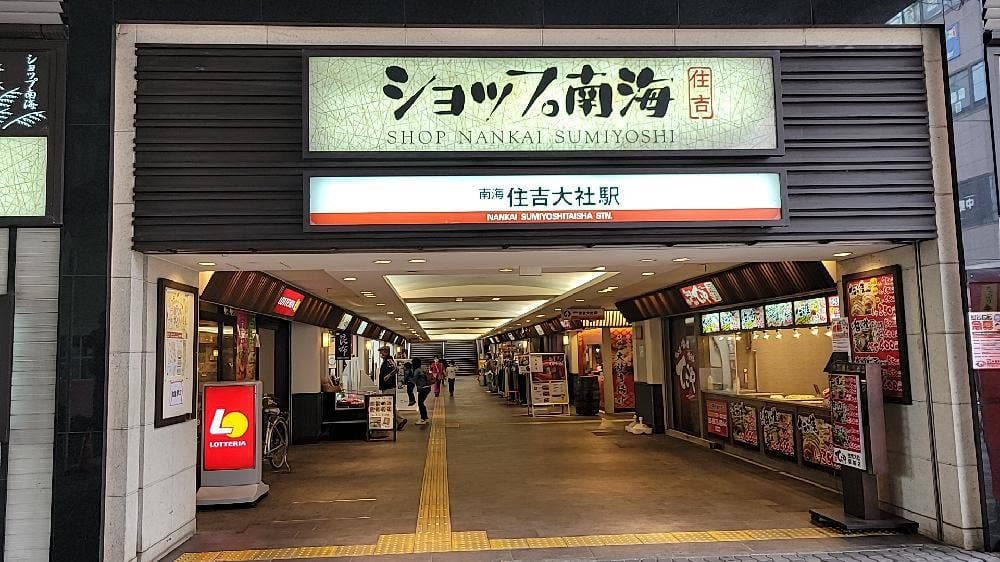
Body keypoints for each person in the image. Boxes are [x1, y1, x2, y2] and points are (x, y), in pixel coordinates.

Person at [378, 346, 407, 431]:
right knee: (390, 404)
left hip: (389, 387)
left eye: (382, 352)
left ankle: (399, 420)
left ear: (386, 352)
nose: (381, 354)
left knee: (388, 405)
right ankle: (397, 421)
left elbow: (396, 369)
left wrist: (387, 376)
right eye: (380, 352)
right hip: (387, 387)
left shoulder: (389, 361)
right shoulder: (387, 361)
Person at [411, 357, 432, 425]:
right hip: (427, 387)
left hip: (423, 388)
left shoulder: (417, 370)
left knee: (420, 403)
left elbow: (413, 380)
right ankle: (425, 418)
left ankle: (423, 419)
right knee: (421, 403)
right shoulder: (422, 368)